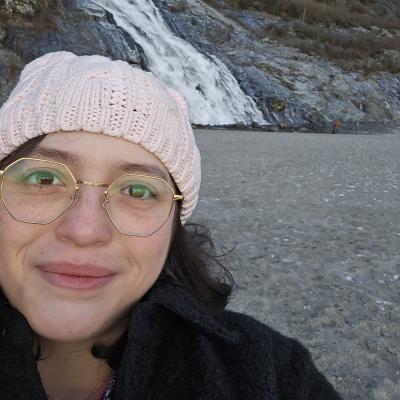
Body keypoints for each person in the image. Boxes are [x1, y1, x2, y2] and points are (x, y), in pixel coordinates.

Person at [0, 51, 343, 400]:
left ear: (172, 227)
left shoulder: (274, 372)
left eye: (138, 190)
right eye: (43, 179)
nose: (85, 230)